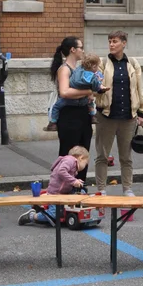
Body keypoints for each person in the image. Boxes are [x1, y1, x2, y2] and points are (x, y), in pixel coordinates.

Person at [94, 30, 143, 197]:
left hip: (128, 117)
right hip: (107, 116)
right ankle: (101, 189)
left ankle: (127, 188)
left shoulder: (132, 63)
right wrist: (98, 90)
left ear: (124, 43)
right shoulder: (102, 63)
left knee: (126, 157)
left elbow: (139, 88)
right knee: (102, 155)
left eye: (115, 41)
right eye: (109, 41)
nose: (111, 44)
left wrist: (141, 112)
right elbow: (94, 85)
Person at [50, 36, 94, 185]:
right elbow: (64, 92)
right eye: (81, 47)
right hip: (69, 115)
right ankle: (64, 188)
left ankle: (80, 186)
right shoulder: (64, 69)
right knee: (69, 154)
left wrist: (92, 92)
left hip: (83, 114)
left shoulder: (81, 69)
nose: (83, 50)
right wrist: (87, 91)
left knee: (83, 153)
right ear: (73, 50)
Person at [18, 146, 90, 225]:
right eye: (85, 163)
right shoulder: (70, 160)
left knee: (82, 192)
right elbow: (61, 171)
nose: (84, 167)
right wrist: (73, 181)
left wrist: (76, 181)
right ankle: (32, 216)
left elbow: (67, 179)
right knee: (53, 215)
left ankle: (79, 212)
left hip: (65, 192)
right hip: (55, 193)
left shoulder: (73, 166)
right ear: (81, 158)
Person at [45, 53, 104, 130]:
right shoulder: (94, 77)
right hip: (84, 101)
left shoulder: (78, 70)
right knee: (90, 102)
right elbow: (96, 88)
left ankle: (53, 123)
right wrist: (98, 84)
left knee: (56, 107)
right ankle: (93, 116)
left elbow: (71, 82)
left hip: (69, 100)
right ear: (94, 66)